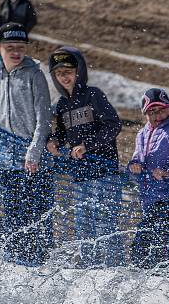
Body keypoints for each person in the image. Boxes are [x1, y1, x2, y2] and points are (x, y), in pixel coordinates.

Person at [46, 46, 124, 267]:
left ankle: (112, 268)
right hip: (81, 177)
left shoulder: (93, 95)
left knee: (105, 225)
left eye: (68, 71)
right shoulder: (62, 105)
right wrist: (53, 142)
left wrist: (86, 145)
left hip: (105, 173)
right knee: (83, 226)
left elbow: (113, 125)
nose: (64, 77)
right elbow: (61, 133)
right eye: (59, 73)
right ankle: (88, 269)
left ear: (79, 71)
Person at [0, 22, 52, 265]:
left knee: (34, 215)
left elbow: (44, 118)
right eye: (10, 48)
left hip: (32, 157)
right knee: (12, 213)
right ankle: (15, 261)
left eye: (20, 47)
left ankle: (38, 261)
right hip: (7, 156)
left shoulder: (34, 74)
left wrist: (34, 151)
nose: (16, 52)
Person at [127, 88, 169, 269]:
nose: (158, 115)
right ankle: (150, 276)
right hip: (149, 198)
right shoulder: (142, 134)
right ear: (145, 113)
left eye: (162, 110)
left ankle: (156, 278)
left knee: (151, 241)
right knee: (148, 240)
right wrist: (134, 166)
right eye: (152, 111)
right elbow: (137, 159)